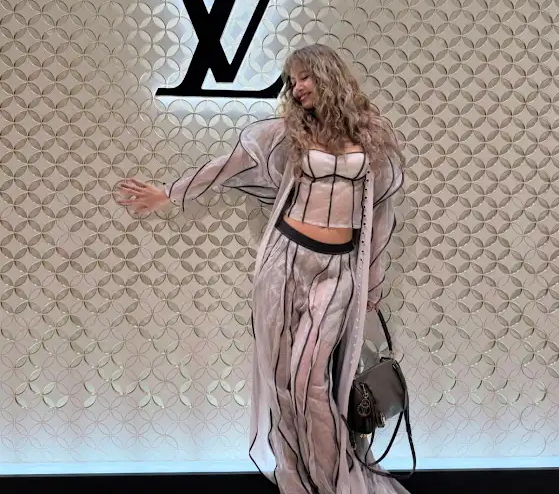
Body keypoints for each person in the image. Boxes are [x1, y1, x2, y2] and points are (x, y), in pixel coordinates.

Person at [116, 43, 408, 494]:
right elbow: (229, 166)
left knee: (311, 381)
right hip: (286, 260)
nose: (297, 87)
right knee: (281, 379)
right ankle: (298, 479)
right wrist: (170, 193)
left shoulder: (372, 135)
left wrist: (373, 279)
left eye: (304, 76)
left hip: (339, 271)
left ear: (329, 74)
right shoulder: (288, 132)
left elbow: (382, 212)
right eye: (292, 81)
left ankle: (334, 482)